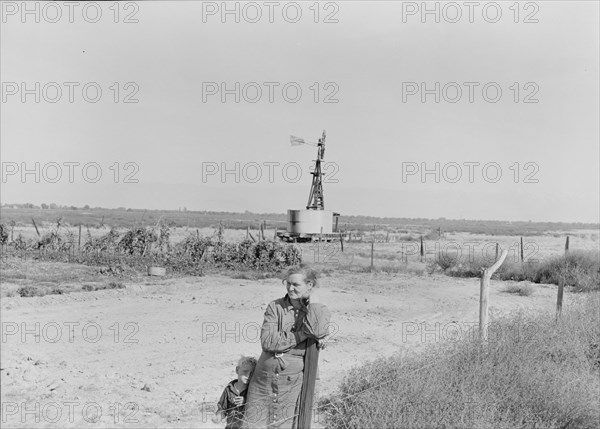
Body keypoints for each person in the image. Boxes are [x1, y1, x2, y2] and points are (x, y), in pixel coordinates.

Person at [243, 265, 331, 429]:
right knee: (253, 424)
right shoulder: (275, 307)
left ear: (309, 285)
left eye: (296, 285)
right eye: (288, 283)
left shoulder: (317, 310)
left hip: (294, 383)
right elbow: (268, 342)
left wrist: (314, 300)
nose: (290, 288)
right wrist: (303, 335)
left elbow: (317, 330)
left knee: (287, 423)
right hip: (264, 379)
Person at [213, 356, 258, 429]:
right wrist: (219, 416)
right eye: (245, 371)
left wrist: (245, 401)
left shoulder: (253, 390)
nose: (248, 375)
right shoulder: (229, 389)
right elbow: (222, 408)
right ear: (237, 370)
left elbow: (258, 405)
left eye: (252, 373)